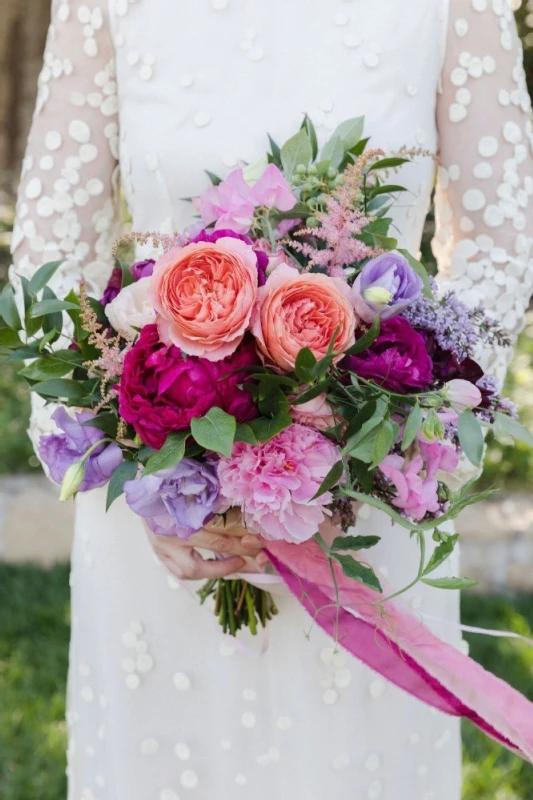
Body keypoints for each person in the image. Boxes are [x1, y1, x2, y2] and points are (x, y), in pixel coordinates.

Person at [10, 1, 533, 798]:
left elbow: (499, 245)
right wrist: (128, 465)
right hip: (164, 526)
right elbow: (53, 253)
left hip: (370, 514)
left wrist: (393, 444)